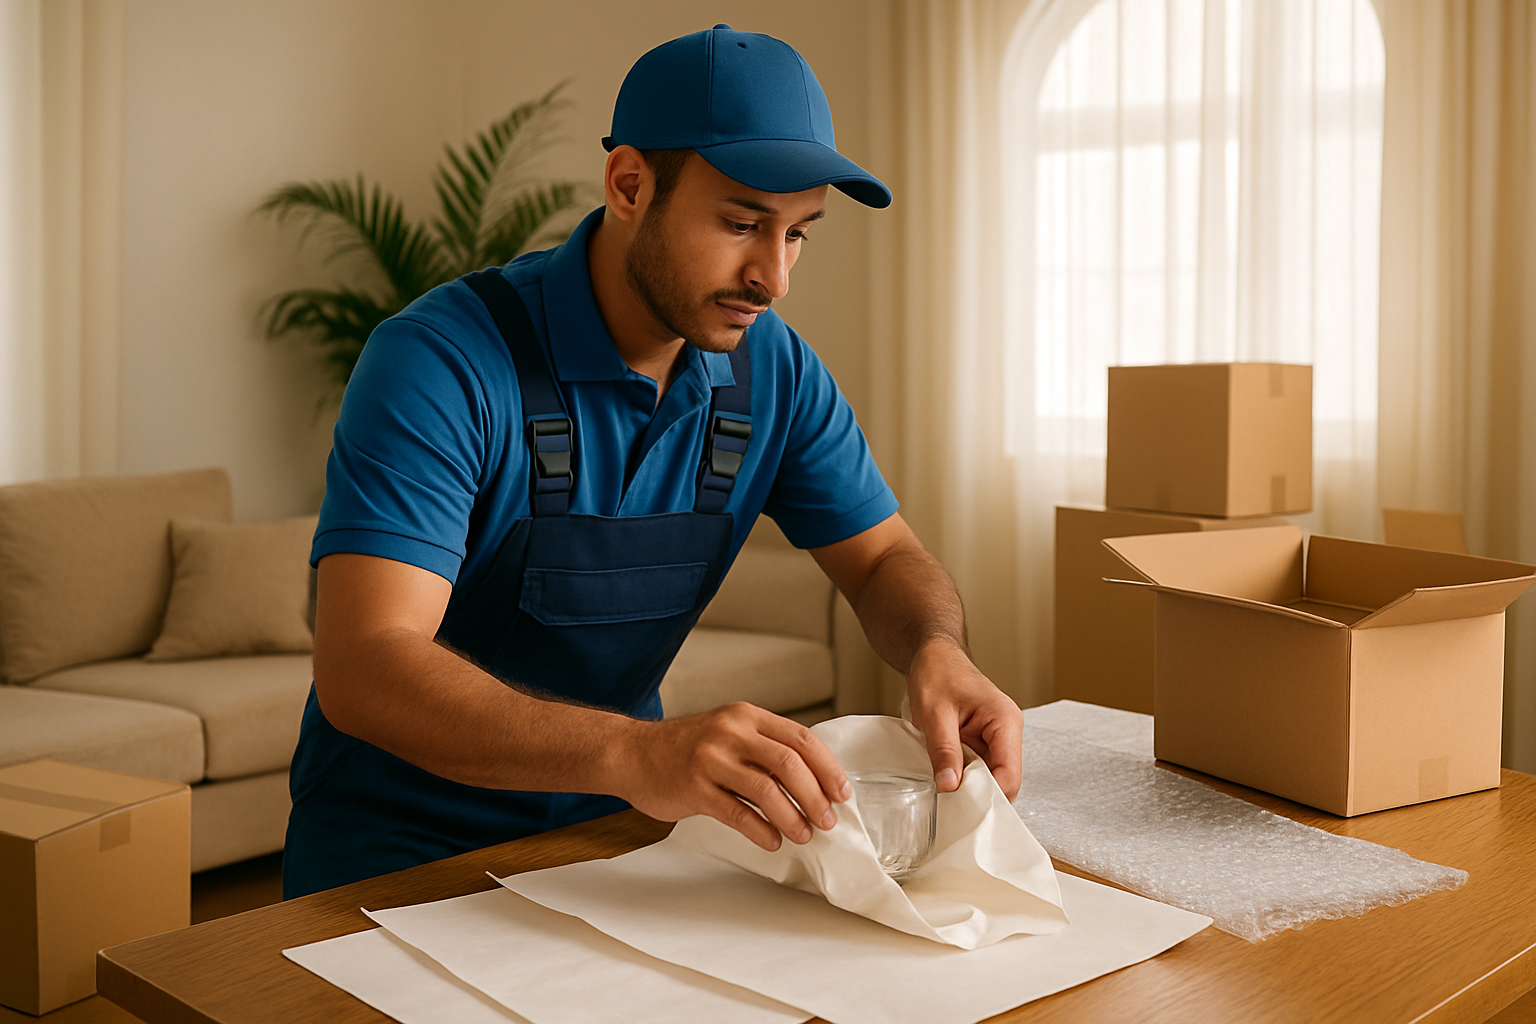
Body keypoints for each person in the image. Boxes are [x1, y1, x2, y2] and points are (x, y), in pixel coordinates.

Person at [282, 24, 1022, 899]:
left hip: (615, 846)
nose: (773, 277)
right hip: (394, 856)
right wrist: (637, 752)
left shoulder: (774, 371)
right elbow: (365, 666)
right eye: (743, 223)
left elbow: (885, 557)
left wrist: (938, 650)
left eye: (798, 234)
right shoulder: (438, 361)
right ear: (630, 184)